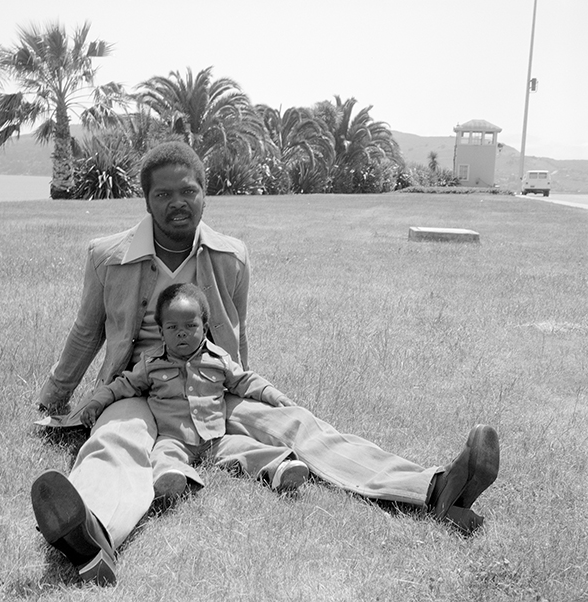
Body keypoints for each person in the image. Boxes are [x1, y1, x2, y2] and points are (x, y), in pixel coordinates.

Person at [30, 141, 500, 587]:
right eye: (163, 194)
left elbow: (236, 332)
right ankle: (92, 532)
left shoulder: (231, 256)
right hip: (139, 386)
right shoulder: (107, 256)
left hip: (212, 381)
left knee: (300, 425)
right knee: (116, 439)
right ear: (146, 200)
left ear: (205, 194)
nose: (178, 203)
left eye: (188, 191)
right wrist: (55, 399)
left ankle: (434, 489)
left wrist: (246, 399)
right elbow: (86, 333)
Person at [82, 282, 311, 504]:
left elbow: (244, 381)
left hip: (215, 439)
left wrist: (274, 395)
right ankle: (172, 479)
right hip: (173, 438)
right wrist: (97, 402)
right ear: (161, 332)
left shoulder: (218, 359)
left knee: (247, 448)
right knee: (162, 457)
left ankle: (281, 470)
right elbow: (124, 384)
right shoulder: (152, 363)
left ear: (205, 328)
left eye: (190, 326)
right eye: (172, 328)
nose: (182, 333)